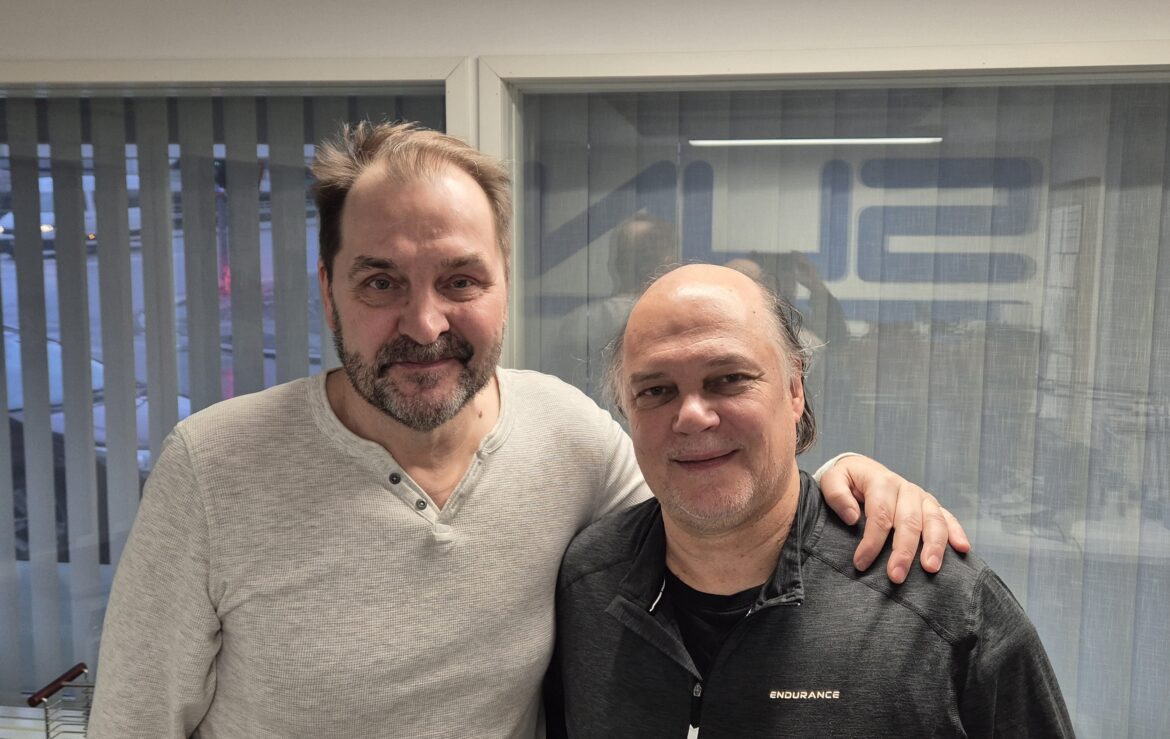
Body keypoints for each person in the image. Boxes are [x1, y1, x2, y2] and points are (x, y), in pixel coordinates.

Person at [89, 123, 967, 739]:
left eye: (460, 280)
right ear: (328, 291)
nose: (425, 323)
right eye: (381, 282)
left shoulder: (570, 435)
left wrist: (843, 479)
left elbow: (712, 502)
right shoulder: (214, 467)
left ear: (504, 283)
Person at [551, 264, 1072, 738]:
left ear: (794, 390)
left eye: (729, 379)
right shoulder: (586, 588)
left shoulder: (945, 610)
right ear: (626, 410)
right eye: (655, 391)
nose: (692, 416)